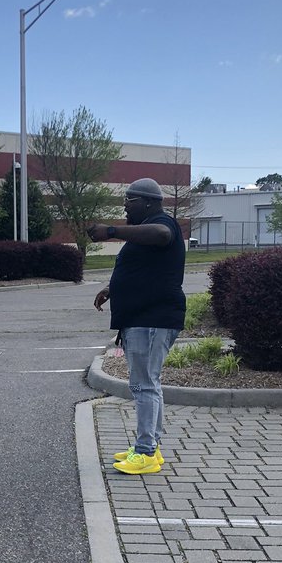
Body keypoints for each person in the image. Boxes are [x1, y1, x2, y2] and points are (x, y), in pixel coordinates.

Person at [89, 177, 186, 475]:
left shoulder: (162, 223)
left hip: (152, 320)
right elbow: (143, 271)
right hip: (144, 319)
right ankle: (150, 448)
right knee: (149, 384)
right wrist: (112, 288)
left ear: (147, 202)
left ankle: (145, 451)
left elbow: (160, 235)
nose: (125, 207)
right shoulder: (146, 231)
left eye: (129, 201)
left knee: (144, 385)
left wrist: (111, 232)